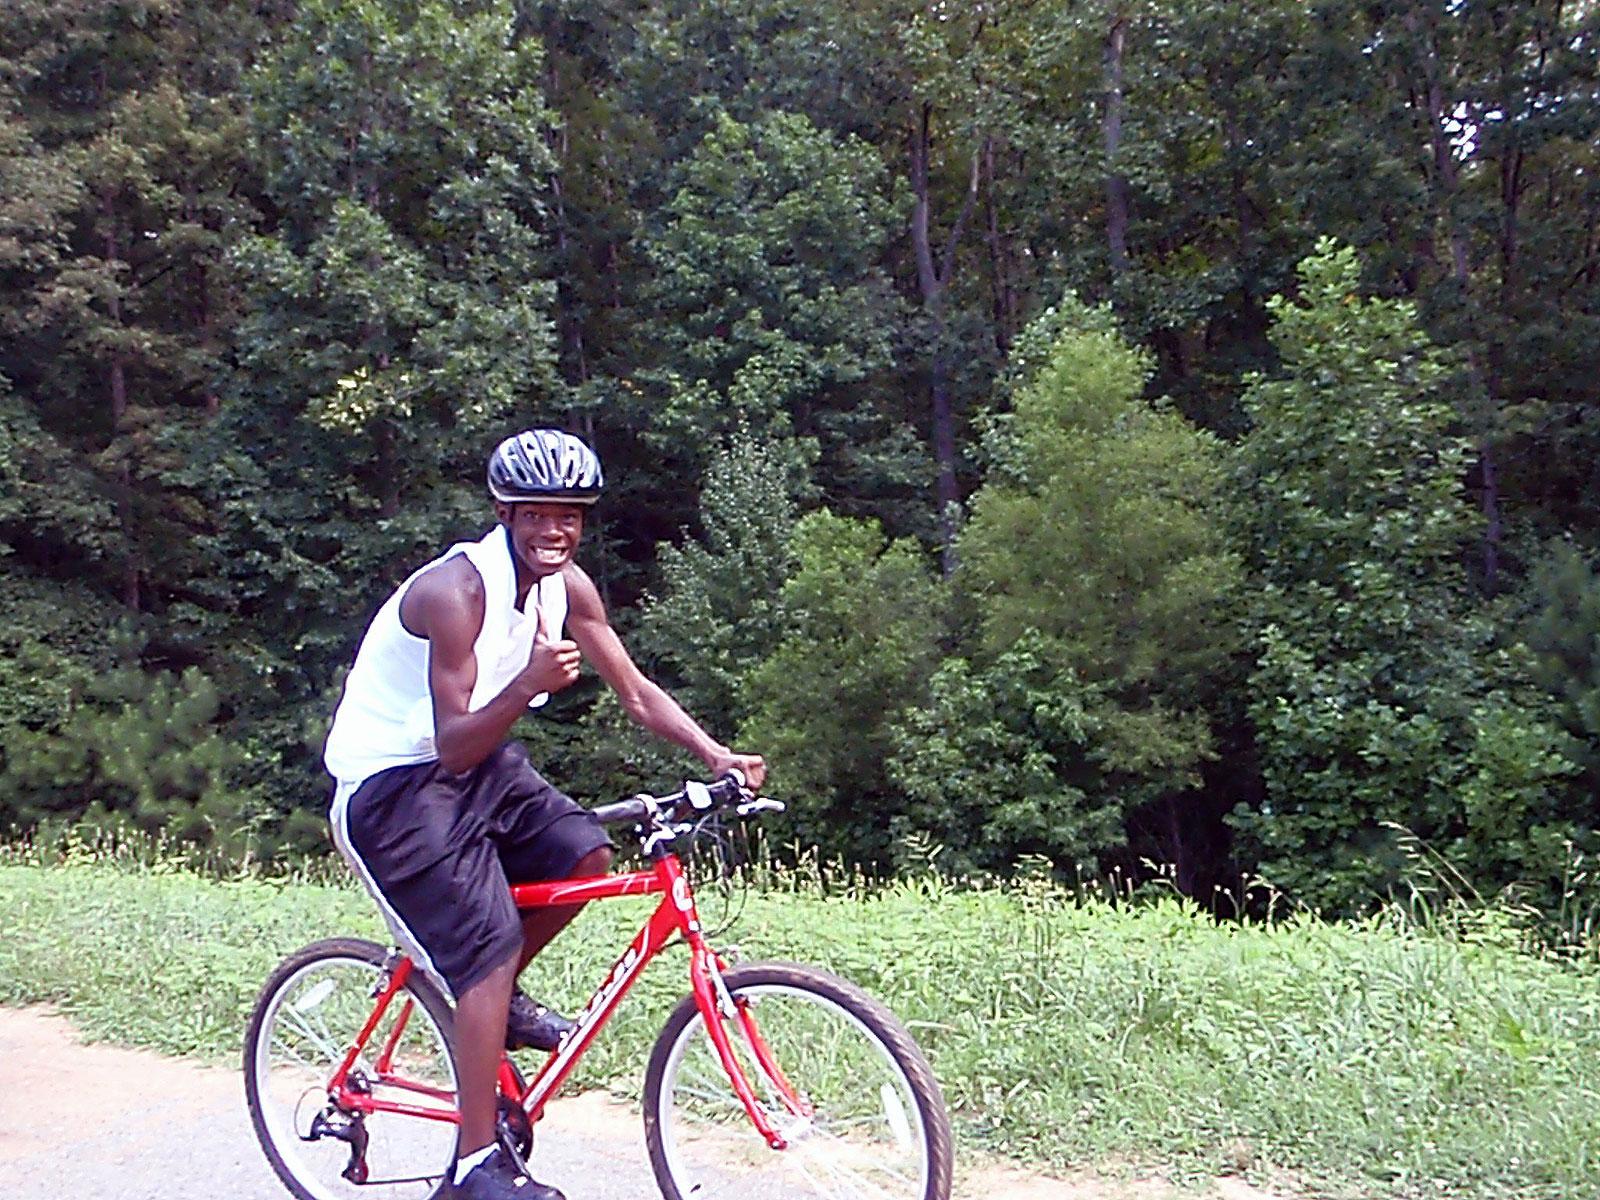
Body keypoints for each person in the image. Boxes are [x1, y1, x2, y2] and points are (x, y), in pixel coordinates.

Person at [323, 428, 766, 1200]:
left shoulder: (568, 588)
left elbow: (634, 693)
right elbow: (455, 744)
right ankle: (472, 1170)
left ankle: (493, 1006)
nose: (555, 531)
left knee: (582, 853)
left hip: (473, 764)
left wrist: (714, 753)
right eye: (537, 515)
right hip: (392, 786)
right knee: (486, 947)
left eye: (570, 516)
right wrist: (528, 681)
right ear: (505, 512)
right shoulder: (454, 594)